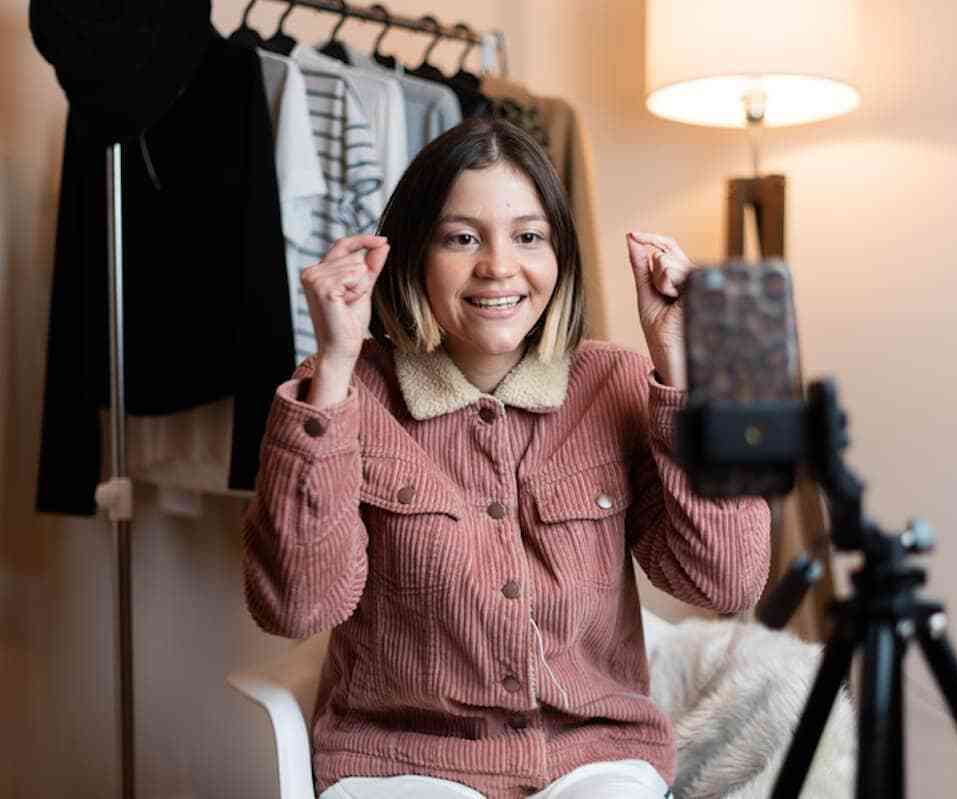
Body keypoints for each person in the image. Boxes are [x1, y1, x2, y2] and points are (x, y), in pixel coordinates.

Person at [241, 117, 771, 799]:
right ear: (410, 256)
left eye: (528, 236)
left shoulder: (614, 383)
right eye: (462, 238)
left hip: (594, 761)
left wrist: (680, 369)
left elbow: (726, 581)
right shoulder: (350, 393)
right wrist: (336, 367)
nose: (497, 265)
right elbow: (296, 605)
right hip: (402, 765)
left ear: (560, 257)